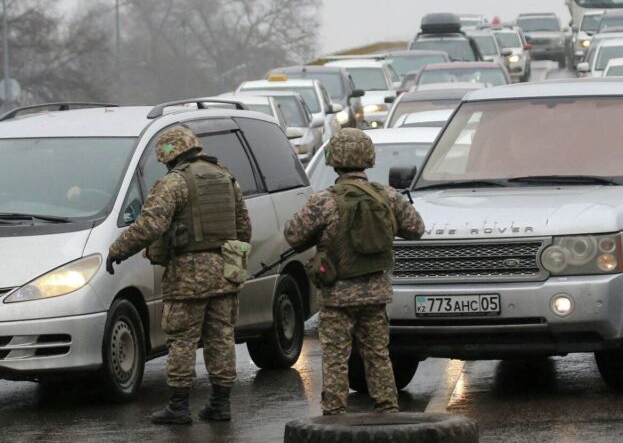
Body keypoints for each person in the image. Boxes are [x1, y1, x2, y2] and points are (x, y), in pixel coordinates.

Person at [107, 126, 252, 423]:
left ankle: (179, 406)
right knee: (221, 337)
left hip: (187, 276)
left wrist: (117, 250)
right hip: (225, 272)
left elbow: (150, 226)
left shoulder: (174, 183)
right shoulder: (226, 177)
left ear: (168, 155)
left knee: (182, 340)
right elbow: (244, 228)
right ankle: (220, 404)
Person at [284, 129, 424, 415]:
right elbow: (416, 228)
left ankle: (334, 414)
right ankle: (387, 408)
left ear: (334, 159)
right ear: (367, 158)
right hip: (375, 292)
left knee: (336, 357)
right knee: (377, 354)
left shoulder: (324, 201)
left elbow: (293, 235)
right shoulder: (387, 196)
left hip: (337, 295)